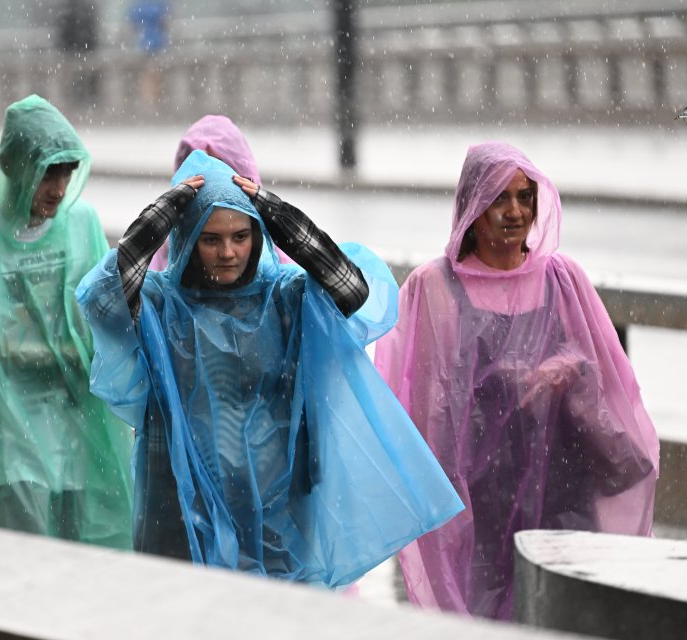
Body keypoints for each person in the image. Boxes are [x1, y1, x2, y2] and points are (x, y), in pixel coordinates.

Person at [76, 150, 463, 586]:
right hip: (184, 504)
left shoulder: (284, 299)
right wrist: (162, 214)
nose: (228, 252)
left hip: (277, 507)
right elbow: (102, 299)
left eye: (241, 236)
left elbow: (351, 290)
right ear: (187, 239)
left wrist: (276, 214)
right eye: (210, 239)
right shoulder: (163, 304)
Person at [374, 142, 659, 619]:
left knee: (565, 613)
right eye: (497, 198)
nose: (514, 212)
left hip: (565, 487)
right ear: (471, 206)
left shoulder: (562, 278)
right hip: (479, 498)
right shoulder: (436, 286)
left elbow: (606, 373)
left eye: (524, 197)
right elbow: (422, 405)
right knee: (488, 616)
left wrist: (565, 369)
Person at [0, 95, 133, 548]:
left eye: (66, 173)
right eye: (46, 172)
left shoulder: (81, 224)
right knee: (26, 568)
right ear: (10, 166)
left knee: (84, 570)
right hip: (11, 436)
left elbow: (104, 315)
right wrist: (55, 355)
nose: (57, 188)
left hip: (78, 433)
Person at [149, 114, 292, 271]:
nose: (227, 253)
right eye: (211, 239)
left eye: (221, 166)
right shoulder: (161, 259)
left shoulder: (278, 259)